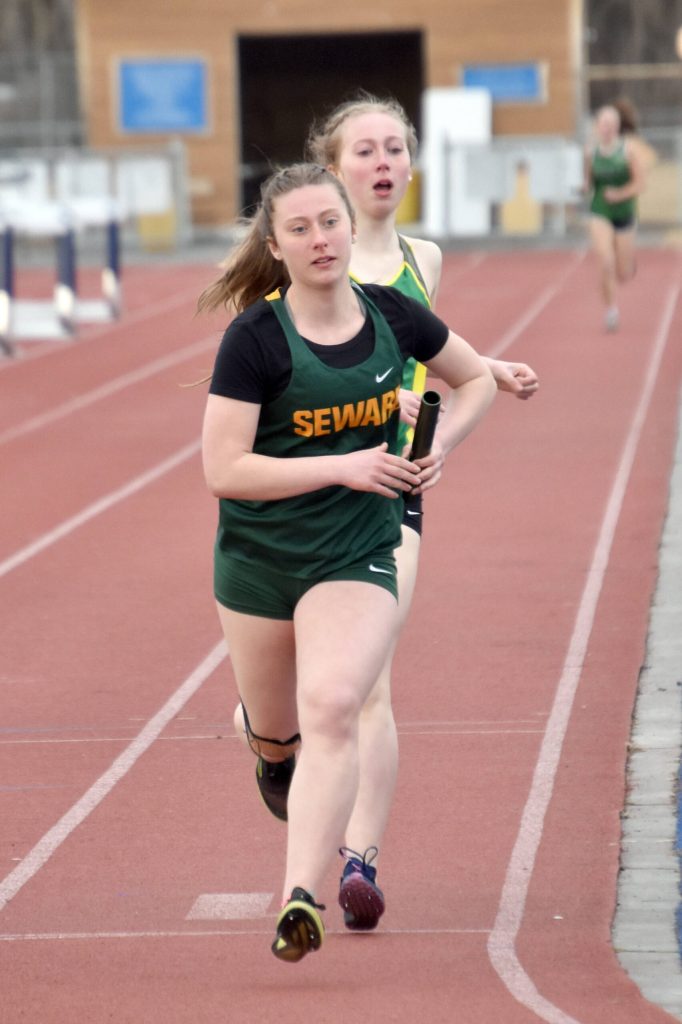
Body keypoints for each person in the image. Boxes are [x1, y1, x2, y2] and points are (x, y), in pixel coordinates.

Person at [226, 94, 539, 934]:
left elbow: (423, 343)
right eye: (363, 150)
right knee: (308, 698)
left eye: (395, 147)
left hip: (388, 490)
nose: (383, 163)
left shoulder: (419, 256)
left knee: (370, 688)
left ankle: (357, 859)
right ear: (330, 169)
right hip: (301, 495)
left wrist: (467, 404)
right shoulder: (310, 257)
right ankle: (269, 732)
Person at [584, 103, 645, 332]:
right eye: (603, 124)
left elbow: (640, 184)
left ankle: (627, 263)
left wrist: (619, 194)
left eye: (610, 124)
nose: (606, 128)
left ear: (617, 127)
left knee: (623, 272)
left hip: (625, 212)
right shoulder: (591, 152)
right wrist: (583, 188)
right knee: (605, 263)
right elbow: (588, 182)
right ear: (598, 126)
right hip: (600, 211)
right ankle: (611, 310)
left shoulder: (628, 151)